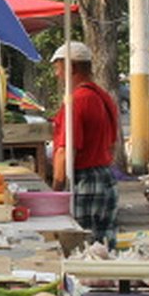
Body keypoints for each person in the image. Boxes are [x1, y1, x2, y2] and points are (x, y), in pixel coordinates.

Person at [49, 41, 120, 246]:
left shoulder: (77, 100)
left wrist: (56, 189)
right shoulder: (103, 96)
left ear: (72, 67)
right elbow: (112, 143)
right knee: (105, 245)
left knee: (81, 245)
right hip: (106, 176)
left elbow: (65, 150)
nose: (57, 74)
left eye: (59, 68)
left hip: (85, 179)